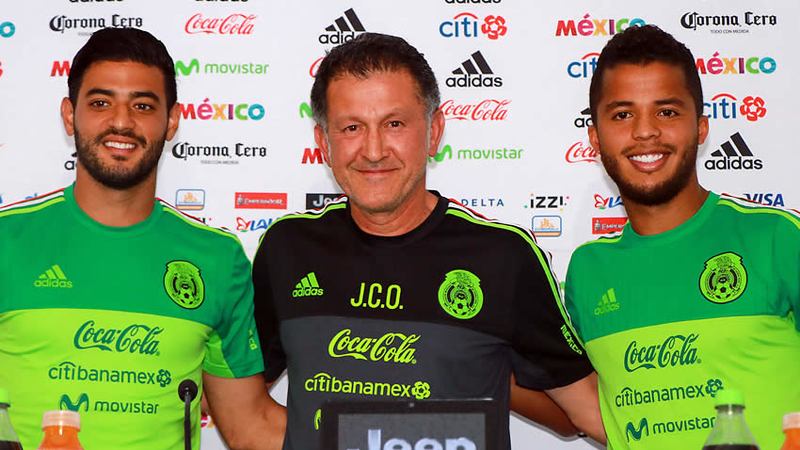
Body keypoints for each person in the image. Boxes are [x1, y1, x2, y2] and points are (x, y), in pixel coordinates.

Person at [251, 32, 605, 450]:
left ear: (434, 132)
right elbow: (237, 400)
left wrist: (481, 374)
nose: (374, 150)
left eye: (394, 124)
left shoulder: (503, 257)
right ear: (323, 143)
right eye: (351, 127)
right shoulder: (286, 249)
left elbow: (585, 414)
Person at [0, 28, 285, 450]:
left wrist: (373, 434)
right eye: (100, 103)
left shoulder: (218, 258)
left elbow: (251, 424)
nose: (121, 122)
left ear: (172, 121)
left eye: (143, 105)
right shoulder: (7, 240)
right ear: (69, 115)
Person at [565, 24, 800, 449]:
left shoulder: (777, 238)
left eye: (667, 112)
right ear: (595, 137)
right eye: (623, 115)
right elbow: (592, 408)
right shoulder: (587, 270)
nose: (645, 131)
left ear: (701, 128)